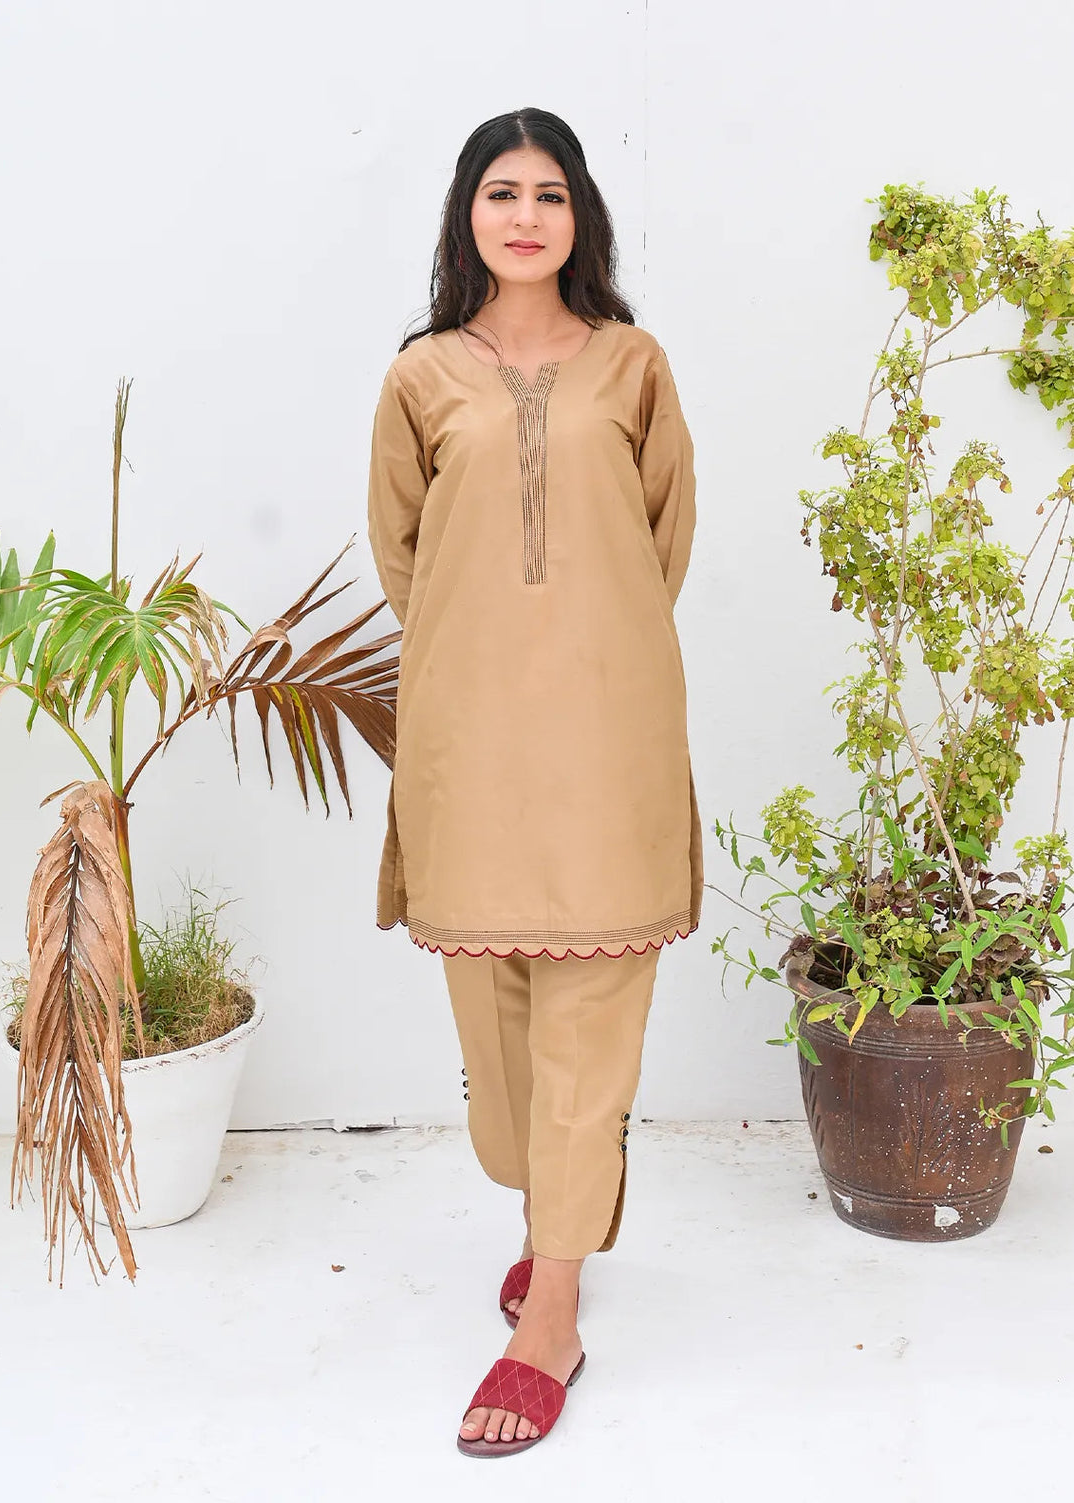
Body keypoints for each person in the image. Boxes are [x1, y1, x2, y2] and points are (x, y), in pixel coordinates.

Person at [366, 105, 701, 1458]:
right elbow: (404, 555)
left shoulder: (633, 365)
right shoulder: (421, 378)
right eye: (501, 192)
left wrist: (586, 644)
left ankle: (550, 1308)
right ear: (468, 215)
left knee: (592, 1015)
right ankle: (548, 1211)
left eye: (549, 193)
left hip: (610, 734)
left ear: (581, 219)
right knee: (499, 1036)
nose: (525, 215)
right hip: (469, 740)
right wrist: (486, 654)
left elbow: (664, 538)